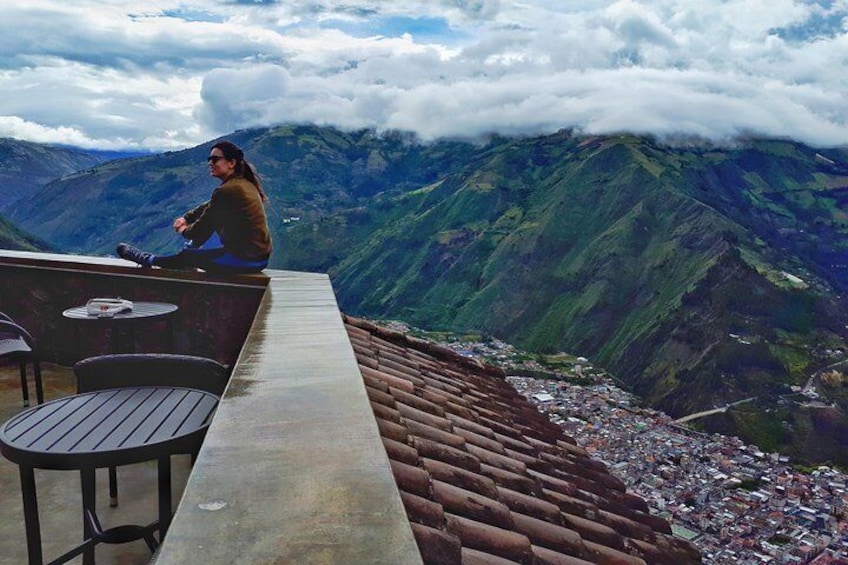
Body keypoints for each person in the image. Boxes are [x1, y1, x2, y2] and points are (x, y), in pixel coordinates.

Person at [117, 140, 272, 274]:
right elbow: (210, 206)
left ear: (232, 163)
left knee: (188, 257)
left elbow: (199, 231)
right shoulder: (242, 184)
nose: (210, 163)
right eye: (209, 159)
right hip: (259, 258)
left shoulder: (228, 190)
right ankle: (187, 255)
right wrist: (186, 218)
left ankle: (148, 259)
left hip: (246, 261)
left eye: (215, 159)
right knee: (204, 241)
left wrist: (183, 229)